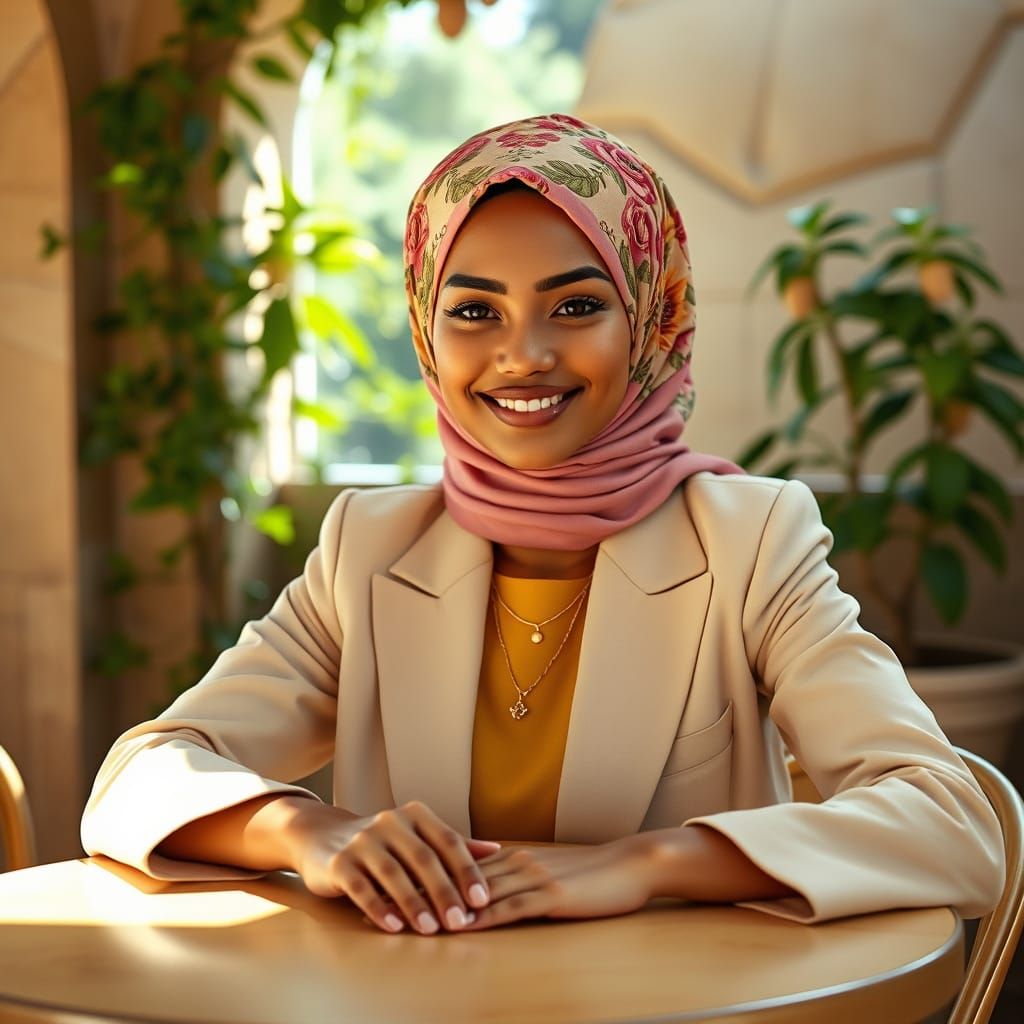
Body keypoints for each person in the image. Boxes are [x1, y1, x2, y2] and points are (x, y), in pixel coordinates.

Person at [81, 114, 1004, 937]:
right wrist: (311, 830)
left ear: (651, 320)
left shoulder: (752, 539)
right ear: (425, 333)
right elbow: (140, 776)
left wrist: (643, 866)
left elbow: (950, 823)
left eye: (577, 306)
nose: (523, 355)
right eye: (475, 311)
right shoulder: (369, 547)